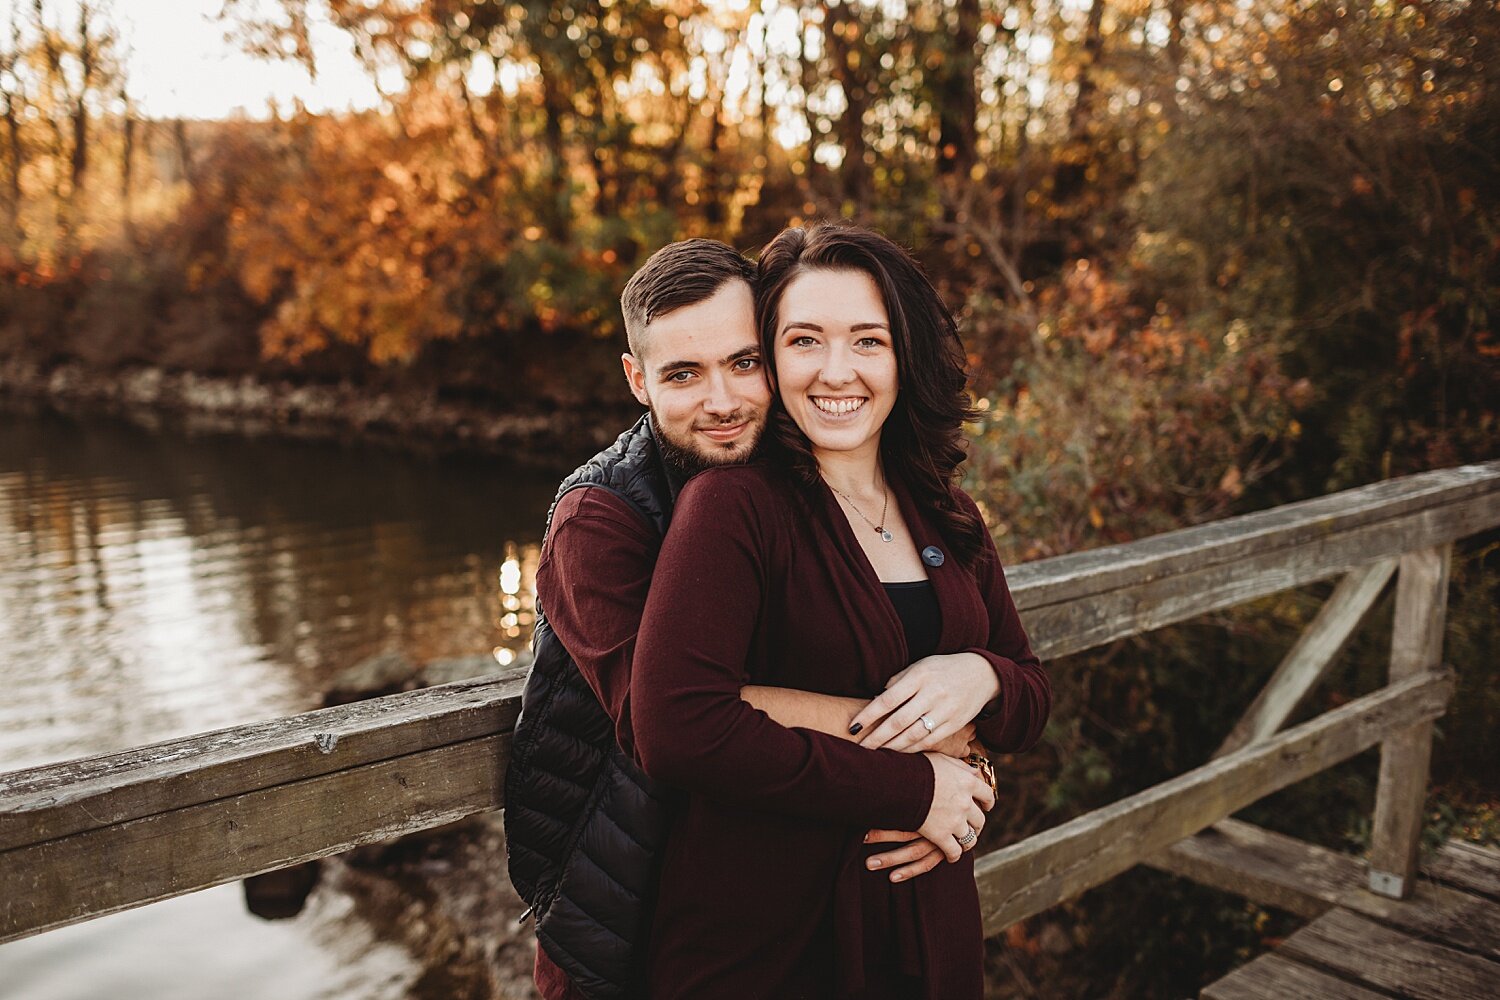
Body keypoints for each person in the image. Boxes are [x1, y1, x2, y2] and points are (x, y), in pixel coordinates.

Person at [506, 238, 993, 1000]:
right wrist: (926, 752)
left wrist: (976, 686)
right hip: (622, 898)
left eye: (744, 363)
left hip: (770, 886)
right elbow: (665, 718)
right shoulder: (598, 521)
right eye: (683, 374)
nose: (724, 402)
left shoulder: (802, 483)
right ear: (637, 380)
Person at [630, 222, 1051, 999]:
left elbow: (1030, 697)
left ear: (903, 355)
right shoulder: (733, 508)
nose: (836, 372)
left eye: (867, 341)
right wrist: (918, 789)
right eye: (803, 341)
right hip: (771, 939)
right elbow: (678, 727)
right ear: (772, 357)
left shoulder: (948, 513)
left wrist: (980, 675)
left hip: (928, 926)